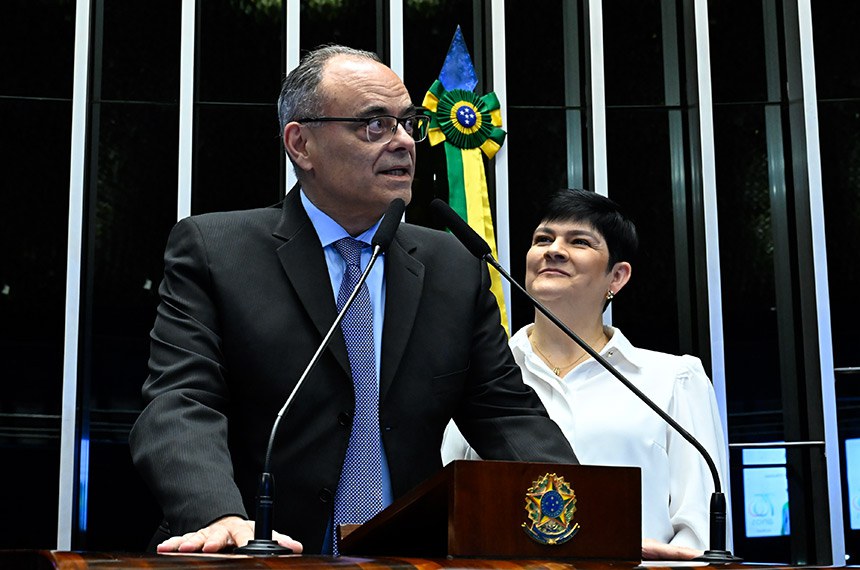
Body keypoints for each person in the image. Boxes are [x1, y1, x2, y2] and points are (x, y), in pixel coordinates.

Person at [129, 45, 577, 556]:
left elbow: (507, 415)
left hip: (405, 559)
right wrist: (219, 516)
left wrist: (586, 518)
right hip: (255, 555)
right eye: (374, 125)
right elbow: (181, 402)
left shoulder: (453, 265)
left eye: (408, 122)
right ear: (301, 144)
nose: (404, 142)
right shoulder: (217, 251)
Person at [441, 189, 730, 561]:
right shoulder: (479, 374)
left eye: (579, 242)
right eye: (543, 239)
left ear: (618, 277)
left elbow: (699, 535)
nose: (554, 250)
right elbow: (445, 503)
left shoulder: (674, 379)